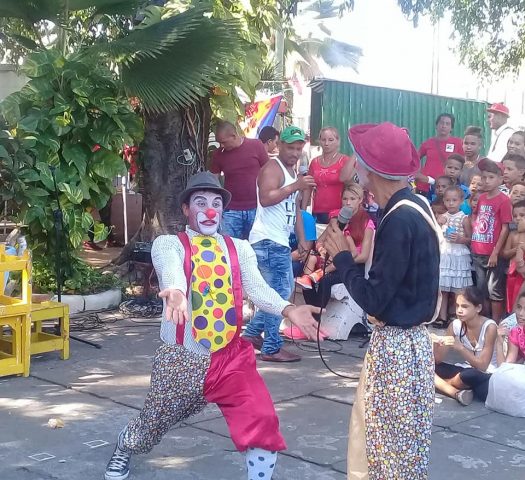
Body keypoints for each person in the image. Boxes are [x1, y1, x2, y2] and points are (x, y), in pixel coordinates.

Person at [103, 172, 320, 480]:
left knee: (262, 419)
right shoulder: (169, 244)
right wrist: (176, 291)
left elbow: (257, 289)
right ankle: (124, 446)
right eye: (200, 202)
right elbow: (170, 268)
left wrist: (289, 308)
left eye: (216, 203)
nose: (209, 210)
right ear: (186, 209)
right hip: (183, 360)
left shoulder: (238, 249)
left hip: (229, 359)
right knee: (149, 428)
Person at [322, 122, 440, 480]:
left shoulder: (397, 220)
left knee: (383, 447)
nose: (355, 169)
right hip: (415, 345)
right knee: (403, 446)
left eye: (359, 162)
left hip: (397, 348)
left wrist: (343, 259)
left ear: (369, 170)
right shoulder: (417, 205)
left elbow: (374, 300)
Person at [244, 126, 316, 362]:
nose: (295, 153)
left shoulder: (292, 173)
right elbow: (266, 199)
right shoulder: (272, 169)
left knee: (276, 293)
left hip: (278, 241)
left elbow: (294, 209)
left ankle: (253, 334)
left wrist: (303, 239)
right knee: (281, 293)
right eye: (291, 148)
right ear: (280, 145)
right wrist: (296, 186)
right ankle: (272, 346)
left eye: (299, 148)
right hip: (267, 240)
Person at [297, 182, 375, 303]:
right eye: (345, 199)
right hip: (329, 261)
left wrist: (340, 260)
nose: (348, 202)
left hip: (352, 265)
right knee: (307, 273)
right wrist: (322, 250)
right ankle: (311, 310)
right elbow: (320, 241)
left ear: (360, 200)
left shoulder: (366, 222)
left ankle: (317, 313)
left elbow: (363, 256)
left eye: (352, 199)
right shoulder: (337, 219)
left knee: (325, 280)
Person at [433, 286, 498, 405]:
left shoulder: (490, 327)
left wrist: (461, 348)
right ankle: (456, 391)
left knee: (470, 375)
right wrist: (437, 345)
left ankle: (440, 386)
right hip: (465, 370)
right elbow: (437, 360)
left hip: (486, 374)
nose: (459, 310)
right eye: (457, 306)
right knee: (429, 367)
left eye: (465, 306)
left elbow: (482, 366)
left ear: (478, 308)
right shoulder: (455, 325)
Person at [210, 120, 269, 239]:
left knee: (256, 245)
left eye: (224, 142)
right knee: (228, 246)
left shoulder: (256, 145)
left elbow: (268, 171)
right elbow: (213, 180)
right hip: (230, 209)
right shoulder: (218, 154)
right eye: (219, 143)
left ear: (233, 135)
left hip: (256, 208)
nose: (222, 146)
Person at [471, 158, 512, 321]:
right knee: (481, 289)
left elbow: (505, 228)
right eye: (484, 177)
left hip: (492, 254)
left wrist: (495, 252)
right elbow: (475, 215)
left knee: (494, 290)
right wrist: (475, 226)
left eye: (491, 177)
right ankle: (485, 320)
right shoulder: (481, 198)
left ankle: (496, 323)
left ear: (501, 179)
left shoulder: (504, 200)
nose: (486, 181)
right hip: (478, 250)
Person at [437, 186, 473, 328]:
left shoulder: (464, 218)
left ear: (461, 201)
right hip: (446, 252)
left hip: (459, 254)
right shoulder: (443, 217)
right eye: (447, 200)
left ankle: (459, 316)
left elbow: (470, 238)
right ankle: (442, 316)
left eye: (454, 200)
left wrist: (460, 239)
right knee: (443, 288)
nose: (451, 203)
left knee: (459, 289)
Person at [306, 126, 356, 223]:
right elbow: (308, 187)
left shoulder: (345, 161)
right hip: (317, 211)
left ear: (338, 141)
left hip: (339, 213)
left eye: (330, 140)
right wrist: (303, 211)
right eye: (323, 140)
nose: (326, 143)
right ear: (319, 141)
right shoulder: (314, 162)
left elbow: (352, 185)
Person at [415, 113, 464, 194]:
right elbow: (414, 159)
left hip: (446, 189)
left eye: (447, 124)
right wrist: (419, 175)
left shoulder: (458, 143)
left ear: (451, 128)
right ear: (436, 126)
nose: (443, 126)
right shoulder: (428, 143)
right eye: (441, 123)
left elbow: (464, 164)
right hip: (425, 187)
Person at [502, 200, 525, 313]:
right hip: (513, 272)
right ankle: (512, 318)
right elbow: (505, 253)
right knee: (512, 298)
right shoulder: (513, 234)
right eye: (515, 216)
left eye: (522, 215)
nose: (518, 218)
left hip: (523, 272)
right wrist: (516, 249)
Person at [496, 291, 525, 364]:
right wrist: (499, 343)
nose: (520, 313)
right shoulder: (516, 332)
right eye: (519, 307)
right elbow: (505, 368)